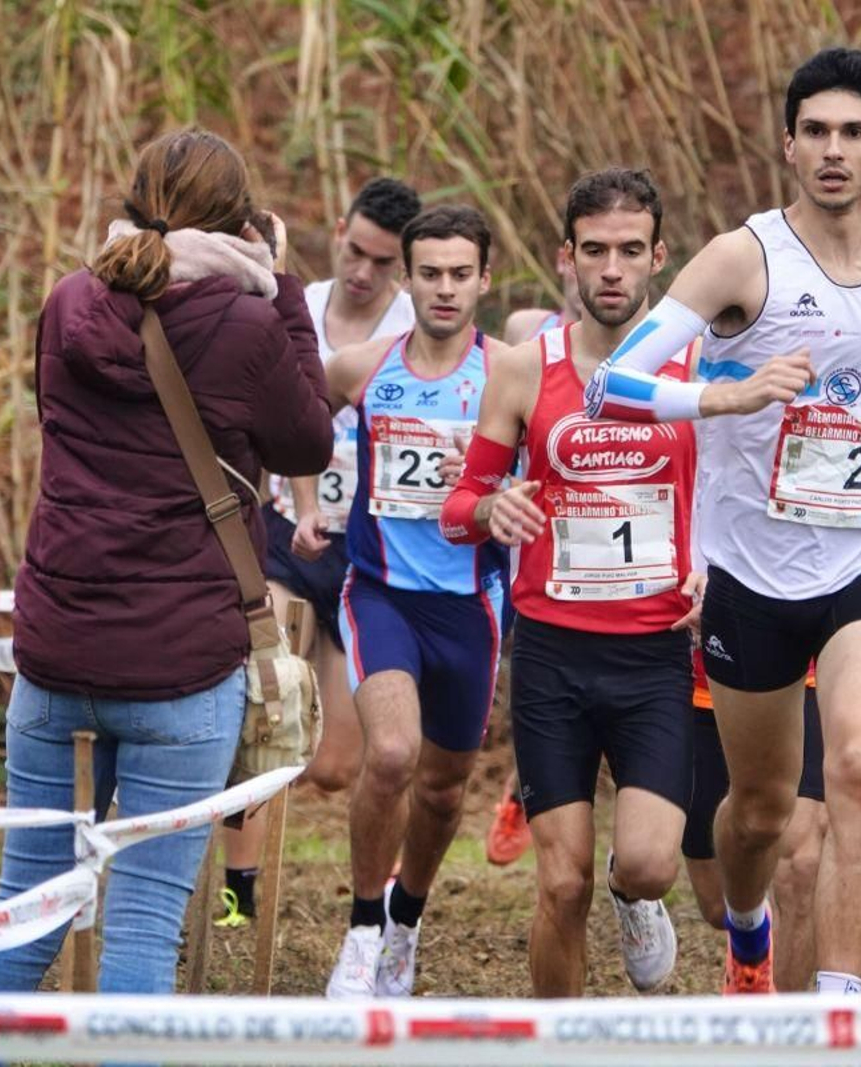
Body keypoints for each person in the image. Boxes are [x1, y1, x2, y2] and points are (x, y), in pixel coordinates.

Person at [584, 48, 861, 994]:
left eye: (853, 133)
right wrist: (722, 398)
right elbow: (611, 386)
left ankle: (839, 1011)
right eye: (816, 132)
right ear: (788, 147)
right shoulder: (742, 259)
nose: (834, 150)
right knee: (759, 813)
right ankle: (746, 919)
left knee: (858, 760)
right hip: (753, 574)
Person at [0, 128, 332, 1021]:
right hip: (180, 666)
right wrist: (281, 289)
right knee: (145, 924)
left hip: (56, 649)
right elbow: (308, 440)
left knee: (25, 910)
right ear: (240, 225)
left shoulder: (68, 300)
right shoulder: (246, 323)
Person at [441, 168, 699, 997]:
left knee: (652, 862)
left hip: (657, 651)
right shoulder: (524, 369)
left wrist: (716, 567)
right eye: (595, 251)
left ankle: (632, 894)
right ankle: (557, 1046)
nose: (611, 269)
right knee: (560, 882)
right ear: (567, 257)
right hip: (553, 653)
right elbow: (457, 508)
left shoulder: (696, 365)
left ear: (659, 255)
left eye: (629, 250)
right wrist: (493, 507)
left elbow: (738, 493)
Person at [305, 204, 507, 998]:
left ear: (484, 278)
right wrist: (304, 505)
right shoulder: (362, 367)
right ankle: (362, 928)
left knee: (445, 786)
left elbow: (556, 468)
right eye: (430, 273)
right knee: (390, 753)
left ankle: (405, 919)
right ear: (408, 279)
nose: (445, 288)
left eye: (460, 273)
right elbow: (298, 426)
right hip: (381, 591)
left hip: (472, 604)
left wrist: (497, 482)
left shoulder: (510, 375)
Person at [216, 177, 421, 927]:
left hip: (368, 552)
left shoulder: (417, 327)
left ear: (406, 267)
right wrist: (299, 506)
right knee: (262, 708)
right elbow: (282, 418)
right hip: (283, 534)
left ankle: (376, 876)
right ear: (339, 231)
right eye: (355, 252)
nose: (364, 272)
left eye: (383, 263)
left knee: (334, 767)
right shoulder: (293, 304)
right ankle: (238, 891)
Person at [484, 248, 582, 868]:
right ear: (565, 262)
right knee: (539, 678)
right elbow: (498, 410)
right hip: (534, 540)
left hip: (613, 537)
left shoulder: (653, 342)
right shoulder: (527, 330)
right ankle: (528, 787)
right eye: (587, 256)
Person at [682, 651, 829, 993]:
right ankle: (750, 931)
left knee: (801, 867)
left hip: (798, 678)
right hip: (694, 688)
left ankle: (777, 1015)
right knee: (718, 905)